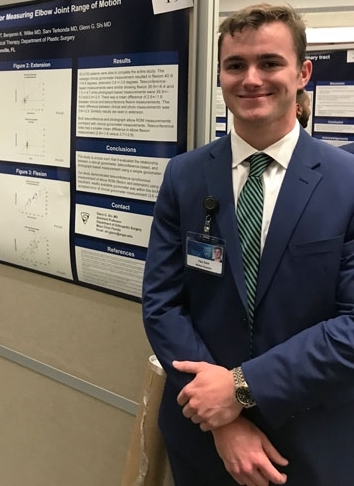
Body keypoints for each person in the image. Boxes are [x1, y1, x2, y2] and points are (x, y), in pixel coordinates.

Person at [142, 4, 354, 486]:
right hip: (203, 442)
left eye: (270, 63)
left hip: (311, 442)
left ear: (302, 73)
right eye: (236, 65)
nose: (251, 79)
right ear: (220, 75)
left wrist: (239, 389)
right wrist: (224, 420)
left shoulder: (348, 183)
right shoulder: (184, 176)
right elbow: (162, 305)